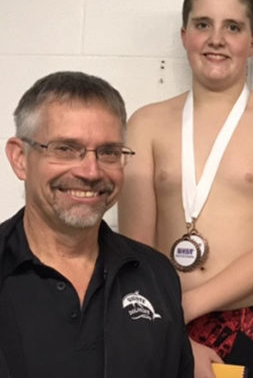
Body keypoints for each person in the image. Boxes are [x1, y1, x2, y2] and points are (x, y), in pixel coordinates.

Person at [118, 0, 253, 378]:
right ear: (185, 35)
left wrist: (183, 308)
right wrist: (165, 316)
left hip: (248, 324)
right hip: (160, 315)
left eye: (233, 27)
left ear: (252, 43)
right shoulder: (146, 124)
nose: (216, 38)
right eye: (203, 24)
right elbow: (134, 246)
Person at [0, 71, 193, 378]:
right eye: (65, 148)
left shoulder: (156, 275)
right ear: (20, 158)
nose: (91, 171)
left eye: (108, 152)